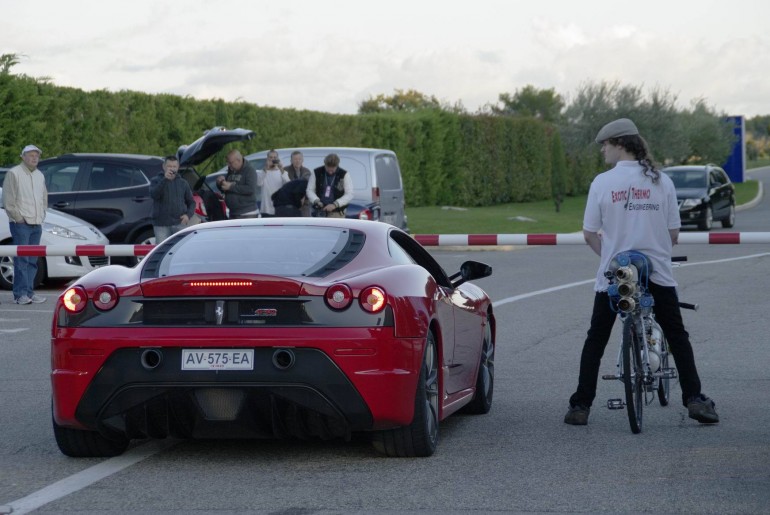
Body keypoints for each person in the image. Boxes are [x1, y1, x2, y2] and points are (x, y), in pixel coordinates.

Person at [564, 118, 719, 426]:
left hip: (615, 275)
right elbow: (674, 233)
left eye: (605, 145)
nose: (603, 151)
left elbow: (589, 233)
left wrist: (608, 255)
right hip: (656, 273)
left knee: (596, 338)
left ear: (620, 144)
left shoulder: (602, 182)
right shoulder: (662, 181)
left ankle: (580, 406)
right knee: (676, 334)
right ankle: (694, 398)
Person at [2, 145, 48, 305]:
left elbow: (44, 197)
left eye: (36, 155)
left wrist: (42, 214)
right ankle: (20, 294)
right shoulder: (14, 173)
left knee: (32, 261)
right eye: (30, 155)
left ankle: (29, 292)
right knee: (21, 261)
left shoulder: (40, 175)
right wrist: (18, 218)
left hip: (36, 223)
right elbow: (8, 201)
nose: (34, 158)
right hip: (21, 224)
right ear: (23, 157)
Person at [149, 155, 196, 242]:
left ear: (178, 167)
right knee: (162, 251)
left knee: (180, 250)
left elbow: (192, 202)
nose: (172, 169)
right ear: (164, 167)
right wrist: (165, 180)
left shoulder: (183, 183)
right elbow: (154, 195)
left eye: (174, 166)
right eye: (169, 166)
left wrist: (188, 215)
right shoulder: (155, 180)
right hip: (161, 225)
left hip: (179, 223)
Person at [306, 153, 354, 218]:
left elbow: (349, 194)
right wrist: (316, 201)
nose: (330, 171)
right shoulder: (316, 172)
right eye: (328, 168)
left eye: (333, 169)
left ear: (337, 165)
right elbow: (309, 190)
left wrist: (335, 204)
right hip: (319, 211)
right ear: (325, 164)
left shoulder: (344, 174)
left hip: (337, 213)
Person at [216, 150, 258, 219]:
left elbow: (250, 189)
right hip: (233, 213)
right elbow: (226, 189)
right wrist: (220, 183)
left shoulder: (250, 170)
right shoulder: (231, 170)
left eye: (230, 163)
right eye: (228, 163)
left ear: (238, 160)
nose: (228, 165)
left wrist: (230, 187)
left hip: (247, 214)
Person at [256, 149, 289, 217]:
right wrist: (266, 169)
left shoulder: (282, 172)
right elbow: (259, 183)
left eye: (275, 158)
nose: (272, 159)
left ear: (278, 159)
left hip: (279, 208)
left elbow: (288, 184)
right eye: (270, 157)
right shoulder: (261, 172)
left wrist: (281, 169)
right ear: (267, 159)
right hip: (266, 209)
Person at [283, 151, 312, 216]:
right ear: (291, 160)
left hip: (304, 205)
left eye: (299, 159)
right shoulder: (285, 170)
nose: (297, 161)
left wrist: (302, 197)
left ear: (302, 160)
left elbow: (308, 187)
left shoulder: (307, 171)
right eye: (295, 159)